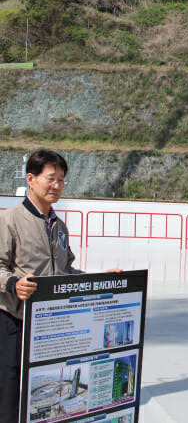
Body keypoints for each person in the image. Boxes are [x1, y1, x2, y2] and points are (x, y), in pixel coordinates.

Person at [0, 149, 84, 422]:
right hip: (14, 321)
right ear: (30, 179)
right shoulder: (10, 220)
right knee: (9, 391)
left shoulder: (59, 227)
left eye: (61, 180)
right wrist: (13, 283)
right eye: (51, 178)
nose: (56, 186)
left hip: (49, 326)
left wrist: (101, 279)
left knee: (44, 390)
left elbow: (65, 270)